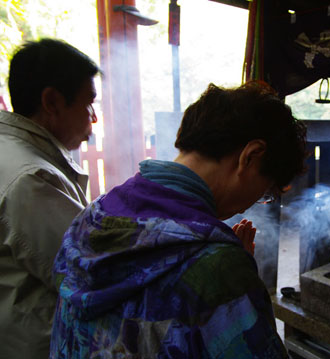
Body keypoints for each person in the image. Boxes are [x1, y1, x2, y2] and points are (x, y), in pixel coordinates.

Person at [50, 82, 307, 358]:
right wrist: (234, 280)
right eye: (264, 191)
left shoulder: (89, 218)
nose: (254, 202)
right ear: (251, 156)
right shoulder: (220, 269)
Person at [0, 38, 99, 358]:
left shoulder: (13, 156)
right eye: (88, 102)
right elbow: (94, 273)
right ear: (52, 101)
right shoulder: (31, 179)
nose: (93, 117)